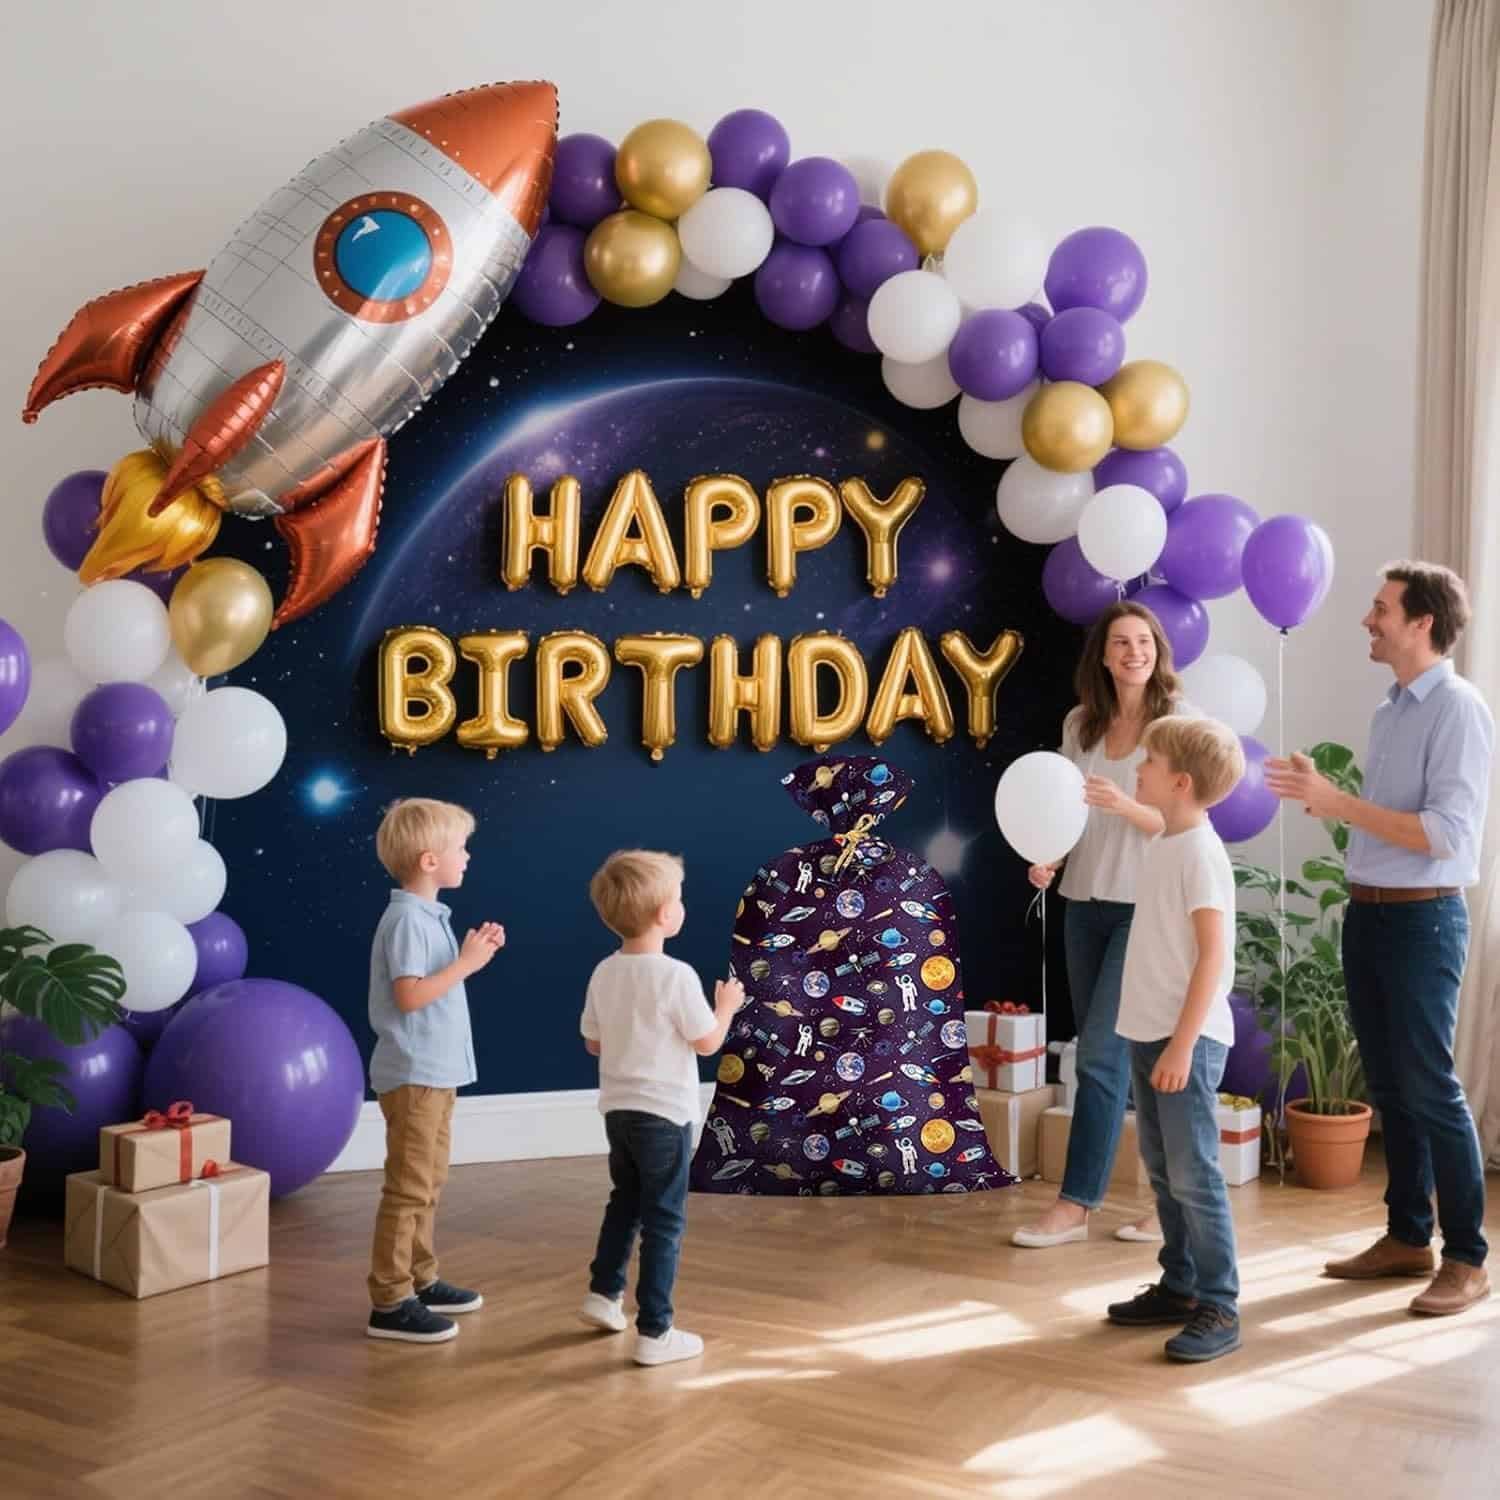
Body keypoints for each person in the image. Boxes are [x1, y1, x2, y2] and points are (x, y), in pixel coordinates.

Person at [1266, 561, 1493, 1317]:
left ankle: (1467, 1257)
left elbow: (1446, 836)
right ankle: (1407, 1238)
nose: (1369, 619)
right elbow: (1388, 820)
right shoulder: (1391, 710)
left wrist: (1340, 804)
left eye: (1381, 607)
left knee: (1431, 1087)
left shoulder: (1458, 709)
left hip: (1424, 919)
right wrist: (1331, 799)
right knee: (1392, 1088)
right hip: (1371, 916)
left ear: (1422, 622)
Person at [1013, 600, 1189, 1248]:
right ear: (1104, 655)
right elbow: (1069, 810)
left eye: (1143, 641)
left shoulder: (1177, 724)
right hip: (1083, 905)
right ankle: (1169, 1206)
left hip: (1145, 908)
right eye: (1121, 642)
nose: (1133, 652)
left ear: (1158, 650)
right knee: (1124, 1061)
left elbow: (1183, 820)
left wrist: (1124, 804)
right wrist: (1049, 858)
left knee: (1101, 1056)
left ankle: (1075, 1203)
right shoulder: (1081, 725)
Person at [1105, 716, 1246, 1363]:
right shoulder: (1167, 838)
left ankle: (1220, 1300)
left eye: (1151, 762)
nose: (1139, 769)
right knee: (1163, 1173)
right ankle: (1180, 1283)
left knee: (1195, 1176)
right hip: (1149, 1030)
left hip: (1183, 1039)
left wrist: (1183, 1045)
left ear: (1181, 782)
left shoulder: (1200, 854)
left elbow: (1213, 958)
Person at [578, 850, 744, 1366]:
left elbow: (593, 1044)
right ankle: (655, 1331)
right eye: (678, 899)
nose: (682, 906)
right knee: (665, 1220)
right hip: (665, 1117)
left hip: (619, 1113)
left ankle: (603, 1296)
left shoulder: (604, 972)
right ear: (664, 916)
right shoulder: (676, 976)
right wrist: (727, 1008)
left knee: (624, 1202)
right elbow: (706, 1042)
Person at [365, 798, 505, 1344]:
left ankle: (420, 1278)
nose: (466, 857)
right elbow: (410, 996)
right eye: (459, 849)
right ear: (429, 860)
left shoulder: (427, 917)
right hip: (416, 1075)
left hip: (436, 1073)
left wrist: (473, 956)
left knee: (428, 1183)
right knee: (408, 1188)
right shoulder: (405, 921)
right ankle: (390, 1299)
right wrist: (467, 964)